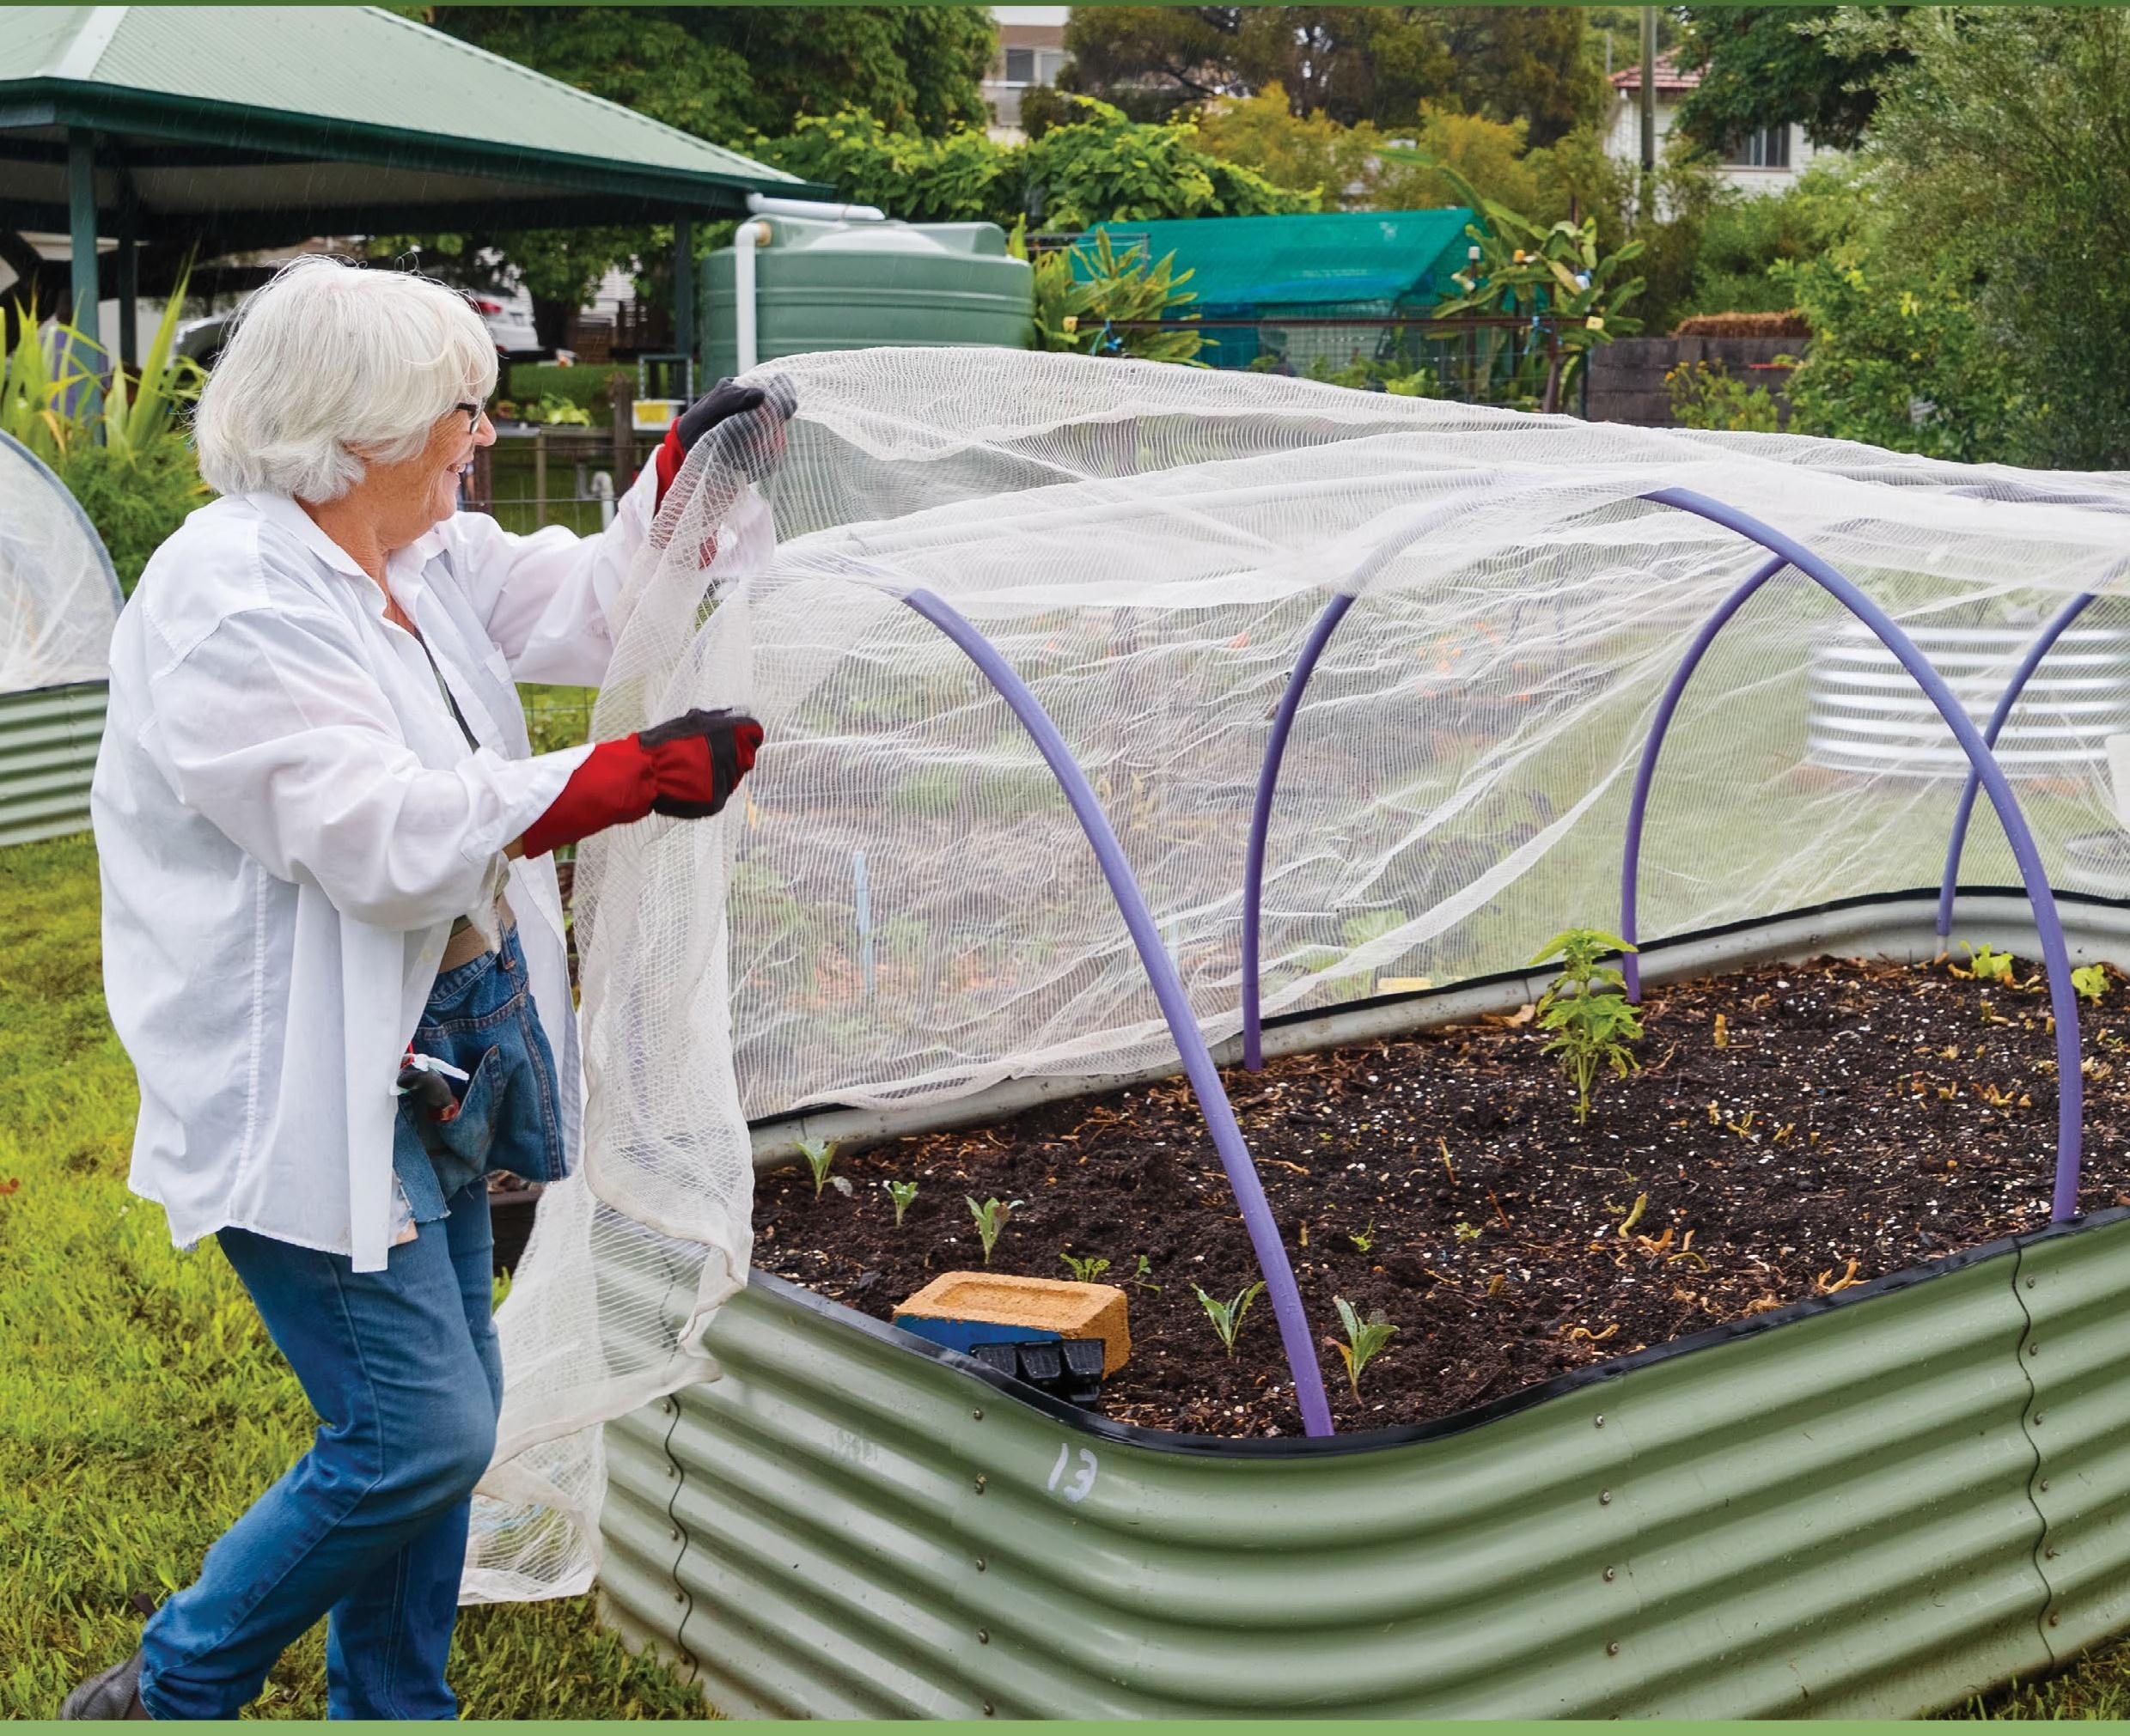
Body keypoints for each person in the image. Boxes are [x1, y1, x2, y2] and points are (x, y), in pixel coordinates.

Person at [64, 256, 782, 1721]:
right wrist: (620, 778)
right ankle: (173, 1682)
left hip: (434, 1047)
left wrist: (680, 485)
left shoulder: (415, 555)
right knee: (416, 1433)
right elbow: (371, 834)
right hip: (309, 1072)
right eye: (464, 409)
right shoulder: (226, 597)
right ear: (363, 426)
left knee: (450, 1414)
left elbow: (586, 603)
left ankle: (395, 1707)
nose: (483, 434)